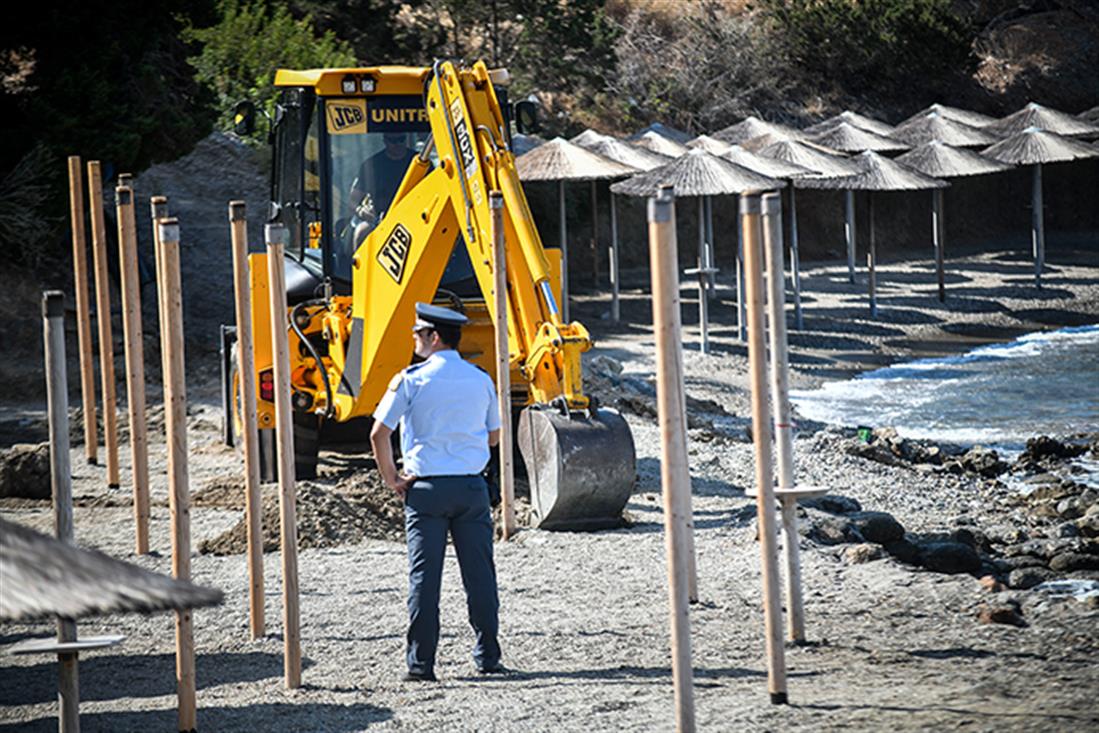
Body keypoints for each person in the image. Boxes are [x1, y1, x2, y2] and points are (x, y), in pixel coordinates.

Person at [370, 302, 504, 682]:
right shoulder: (481, 378)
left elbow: (379, 433)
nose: (413, 338)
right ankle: (487, 655)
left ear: (433, 337)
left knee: (424, 579)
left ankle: (421, 664)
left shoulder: (411, 379)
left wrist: (392, 479)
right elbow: (494, 436)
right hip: (471, 486)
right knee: (480, 575)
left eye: (417, 333)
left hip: (426, 489)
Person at [349, 132, 416, 220]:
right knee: (361, 232)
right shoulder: (372, 165)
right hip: (379, 219)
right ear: (385, 141)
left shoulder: (420, 162)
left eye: (401, 139)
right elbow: (353, 201)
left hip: (414, 215)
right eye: (393, 141)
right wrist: (361, 211)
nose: (398, 144)